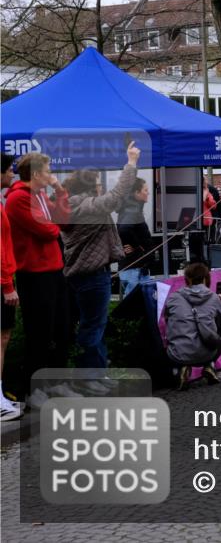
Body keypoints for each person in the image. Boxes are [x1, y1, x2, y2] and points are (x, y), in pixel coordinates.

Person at [61, 142, 139, 369]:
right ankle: (89, 377)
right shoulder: (83, 206)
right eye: (96, 183)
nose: (100, 187)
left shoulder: (74, 204)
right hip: (91, 276)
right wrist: (131, 163)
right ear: (87, 187)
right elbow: (115, 197)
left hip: (87, 274)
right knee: (92, 327)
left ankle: (98, 371)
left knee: (96, 325)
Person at [5, 151, 72, 404]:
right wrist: (54, 225)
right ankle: (34, 389)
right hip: (34, 274)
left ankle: (58, 382)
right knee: (39, 333)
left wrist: (60, 191)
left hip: (54, 270)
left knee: (62, 329)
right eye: (48, 171)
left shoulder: (41, 194)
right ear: (35, 174)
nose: (51, 174)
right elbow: (46, 231)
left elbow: (63, 222)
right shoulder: (18, 199)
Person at [164, 262, 221, 390]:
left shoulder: (173, 297)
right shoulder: (214, 298)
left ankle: (180, 369)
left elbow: (167, 320)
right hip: (206, 353)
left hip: (178, 354)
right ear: (206, 279)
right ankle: (209, 365)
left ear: (187, 279)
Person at [0, 154, 22, 421]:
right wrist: (7, 284)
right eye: (9, 171)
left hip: (4, 279)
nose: (12, 175)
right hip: (2, 281)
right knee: (1, 340)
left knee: (3, 339)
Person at [116, 177, 155, 298]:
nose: (148, 192)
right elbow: (123, 229)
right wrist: (138, 247)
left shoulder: (133, 209)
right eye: (145, 190)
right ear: (136, 193)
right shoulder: (131, 210)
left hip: (138, 267)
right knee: (134, 307)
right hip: (134, 268)